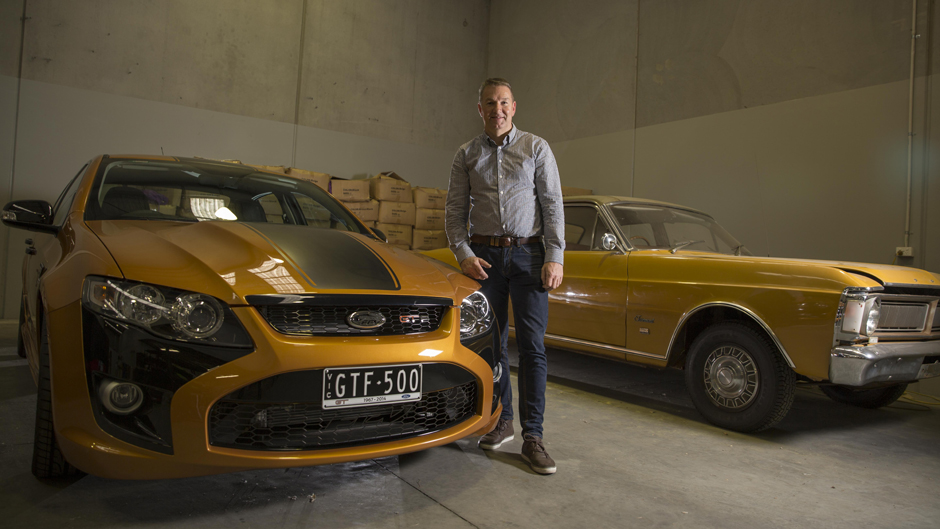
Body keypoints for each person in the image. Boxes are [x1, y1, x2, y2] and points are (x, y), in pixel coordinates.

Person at [444, 78, 564, 475]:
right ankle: (503, 420)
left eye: (504, 102)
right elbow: (454, 213)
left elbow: (551, 204)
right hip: (486, 260)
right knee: (491, 347)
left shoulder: (536, 148)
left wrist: (554, 256)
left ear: (514, 108)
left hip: (530, 256)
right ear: (480, 109)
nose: (497, 109)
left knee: (532, 347)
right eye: (489, 103)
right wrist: (464, 255)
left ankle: (534, 435)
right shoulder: (466, 154)